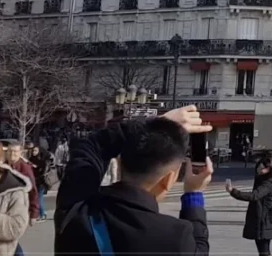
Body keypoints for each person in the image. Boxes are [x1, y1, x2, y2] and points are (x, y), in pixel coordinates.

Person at [53, 105, 214, 255]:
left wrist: (154, 124)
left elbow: (91, 145)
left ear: (120, 162)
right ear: (169, 178)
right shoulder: (176, 236)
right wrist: (193, 195)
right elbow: (200, 249)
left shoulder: (76, 211)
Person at [226, 153, 272, 256]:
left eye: (261, 167)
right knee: (264, 248)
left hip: (264, 220)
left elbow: (254, 195)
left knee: (263, 251)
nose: (258, 170)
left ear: (268, 169)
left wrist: (232, 191)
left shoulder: (268, 184)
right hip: (269, 219)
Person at [3, 144, 38, 225]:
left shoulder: (25, 168)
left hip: (18, 209)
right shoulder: (2, 166)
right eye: (9, 151)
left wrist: (34, 214)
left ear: (20, 153)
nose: (12, 154)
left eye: (15, 151)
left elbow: (33, 191)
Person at [28, 145, 51, 222]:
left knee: (38, 199)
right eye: (33, 150)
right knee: (34, 199)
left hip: (40, 183)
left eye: (35, 151)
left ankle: (42, 214)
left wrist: (36, 167)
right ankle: (36, 214)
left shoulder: (41, 161)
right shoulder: (30, 159)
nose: (34, 152)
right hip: (33, 182)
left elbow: (42, 172)